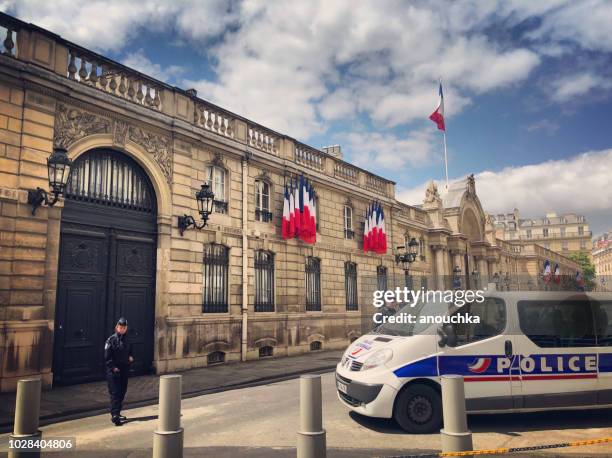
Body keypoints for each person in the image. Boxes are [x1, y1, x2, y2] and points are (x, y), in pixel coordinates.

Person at [104, 317, 134, 426]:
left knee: (122, 391)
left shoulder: (128, 340)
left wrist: (131, 357)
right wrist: (113, 367)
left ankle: (117, 412)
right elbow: (107, 356)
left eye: (124, 327)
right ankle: (114, 415)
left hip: (124, 370)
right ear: (117, 327)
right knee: (115, 393)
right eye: (120, 327)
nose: (122, 329)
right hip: (114, 371)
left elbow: (131, 351)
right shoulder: (111, 340)